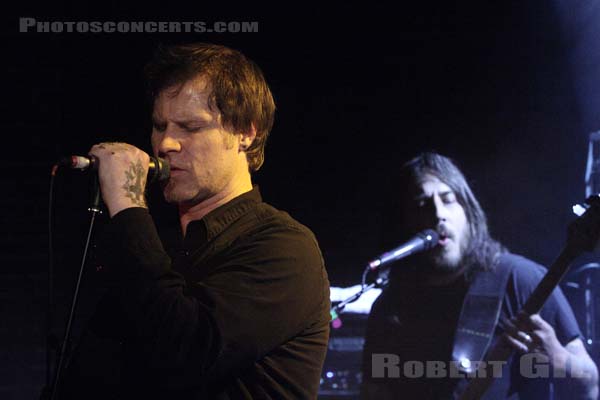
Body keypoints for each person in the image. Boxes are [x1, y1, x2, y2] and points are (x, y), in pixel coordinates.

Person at [59, 43, 330, 399]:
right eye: (160, 126)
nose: (166, 143)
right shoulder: (160, 244)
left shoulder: (285, 247)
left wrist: (126, 201)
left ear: (245, 134)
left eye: (189, 127)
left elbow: (185, 351)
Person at [360, 152, 598, 399]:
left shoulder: (520, 279)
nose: (438, 213)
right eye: (422, 204)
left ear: (468, 211)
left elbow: (591, 384)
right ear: (405, 222)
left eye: (448, 199)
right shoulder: (391, 306)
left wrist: (560, 359)